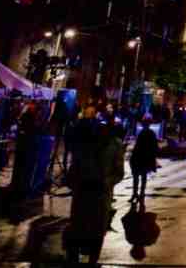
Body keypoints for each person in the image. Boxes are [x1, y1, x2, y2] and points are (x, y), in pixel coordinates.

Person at [64, 107, 113, 265]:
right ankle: (86, 257)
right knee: (90, 230)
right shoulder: (88, 151)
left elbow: (72, 176)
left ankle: (84, 257)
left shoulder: (88, 151)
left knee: (87, 230)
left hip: (91, 194)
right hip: (91, 194)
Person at [129, 115, 159, 204]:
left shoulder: (143, 132)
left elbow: (138, 146)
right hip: (144, 158)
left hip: (139, 157)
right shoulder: (150, 133)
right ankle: (140, 193)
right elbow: (154, 147)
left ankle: (136, 194)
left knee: (137, 177)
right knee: (142, 176)